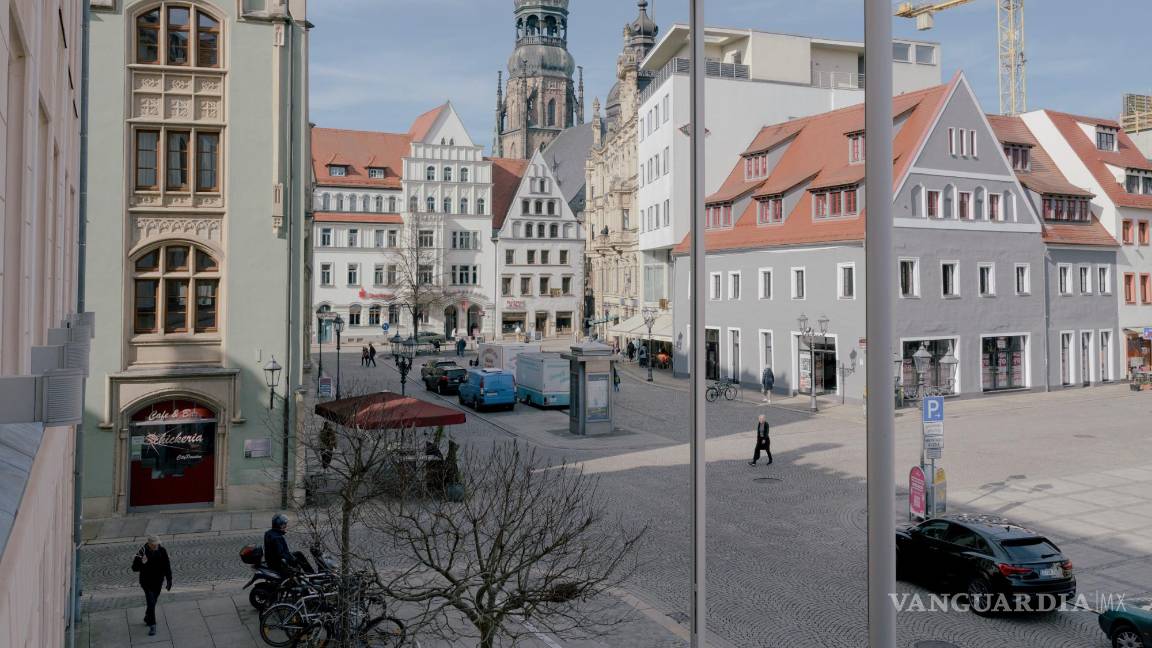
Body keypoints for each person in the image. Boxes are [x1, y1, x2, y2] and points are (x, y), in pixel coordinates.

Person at [131, 534, 172, 636]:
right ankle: (152, 625)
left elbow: (167, 565)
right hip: (146, 582)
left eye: (157, 544)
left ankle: (147, 617)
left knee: (153, 602)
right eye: (154, 544)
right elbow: (134, 568)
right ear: (149, 544)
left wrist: (169, 580)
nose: (156, 546)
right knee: (151, 602)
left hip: (158, 581)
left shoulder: (162, 551)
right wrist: (142, 562)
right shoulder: (142, 552)